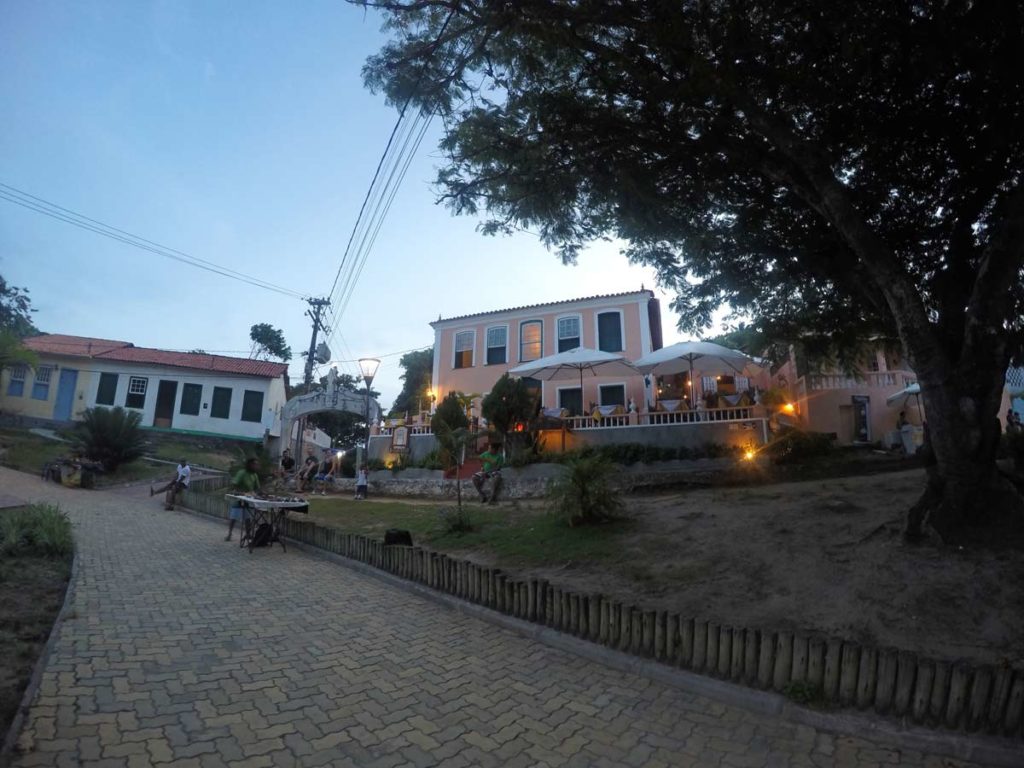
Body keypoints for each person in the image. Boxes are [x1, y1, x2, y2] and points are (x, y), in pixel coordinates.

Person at [226, 457, 261, 542]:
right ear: (250, 465)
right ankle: (229, 533)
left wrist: (263, 494)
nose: (256, 466)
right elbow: (234, 484)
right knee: (234, 517)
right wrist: (241, 493)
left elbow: (258, 488)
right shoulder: (242, 473)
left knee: (248, 517)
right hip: (239, 498)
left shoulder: (254, 475)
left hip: (249, 499)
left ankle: (248, 534)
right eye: (254, 464)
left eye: (257, 464)